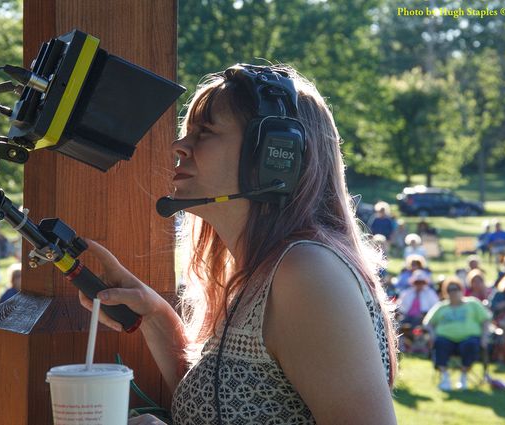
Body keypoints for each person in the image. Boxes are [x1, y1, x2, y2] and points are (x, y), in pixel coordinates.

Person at [79, 64, 398, 424]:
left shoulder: (307, 272)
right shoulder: (261, 273)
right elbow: (228, 406)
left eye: (205, 132)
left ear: (275, 156)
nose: (179, 146)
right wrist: (155, 316)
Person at [423, 277, 491, 391]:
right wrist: (432, 334)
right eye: (450, 290)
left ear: (462, 290)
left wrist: (484, 337)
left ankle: (463, 377)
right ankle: (445, 378)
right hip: (445, 339)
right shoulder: (441, 307)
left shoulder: (473, 303)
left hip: (468, 339)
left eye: (456, 289)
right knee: (440, 343)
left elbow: (486, 320)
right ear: (446, 292)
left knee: (470, 344)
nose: (453, 292)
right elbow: (427, 323)